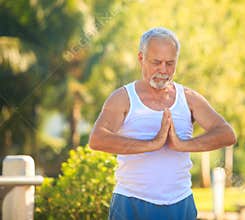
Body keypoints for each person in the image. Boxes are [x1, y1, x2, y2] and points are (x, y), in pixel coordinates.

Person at [89, 27, 236, 220]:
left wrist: (182, 145)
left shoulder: (189, 98)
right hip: (131, 202)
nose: (163, 70)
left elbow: (227, 134)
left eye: (170, 63)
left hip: (179, 202)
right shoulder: (123, 98)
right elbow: (97, 139)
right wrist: (152, 144)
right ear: (141, 58)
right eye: (156, 62)